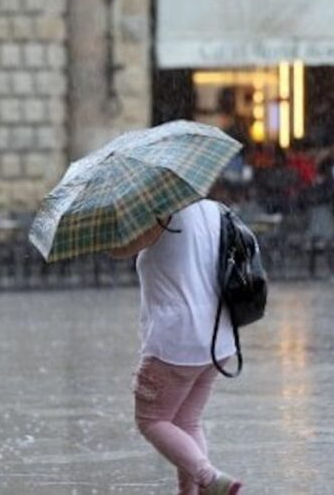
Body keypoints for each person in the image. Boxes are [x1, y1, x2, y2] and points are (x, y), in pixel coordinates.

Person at [110, 200, 243, 495]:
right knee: (186, 421)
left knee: (151, 420)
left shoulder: (162, 215)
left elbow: (119, 248)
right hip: (216, 334)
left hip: (177, 340)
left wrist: (120, 219)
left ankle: (209, 479)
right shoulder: (214, 210)